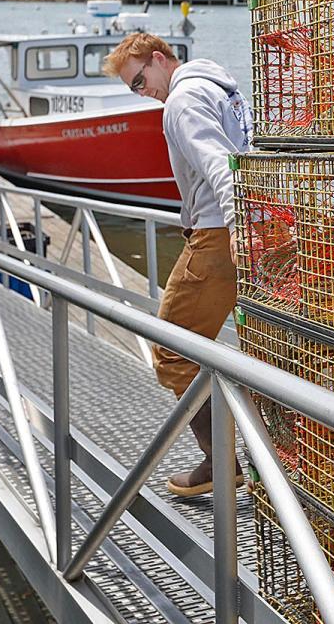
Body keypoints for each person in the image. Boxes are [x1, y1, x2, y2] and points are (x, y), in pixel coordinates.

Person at [103, 32, 252, 498]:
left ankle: (221, 462)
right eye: (132, 87)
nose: (141, 92)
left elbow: (221, 165)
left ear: (161, 59)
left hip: (218, 237)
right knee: (235, 350)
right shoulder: (219, 86)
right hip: (242, 225)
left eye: (140, 80)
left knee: (172, 349)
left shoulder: (181, 102)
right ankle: (254, 455)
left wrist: (237, 233)